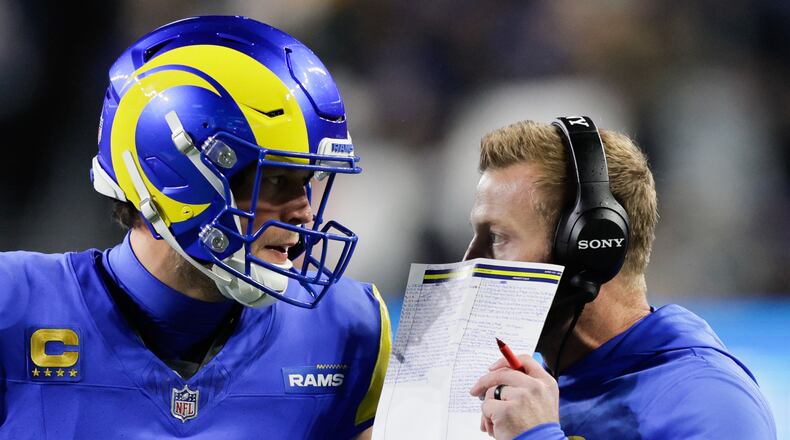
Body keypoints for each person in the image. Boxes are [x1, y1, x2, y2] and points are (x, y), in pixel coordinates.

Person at [0, 16, 390, 439]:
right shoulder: (14, 306)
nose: (305, 215)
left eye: (307, 184)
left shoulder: (349, 330)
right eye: (276, 180)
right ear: (174, 177)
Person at [465, 117, 776, 439]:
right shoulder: (525, 402)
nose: (470, 262)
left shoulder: (710, 402)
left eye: (499, 237)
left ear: (587, 250)